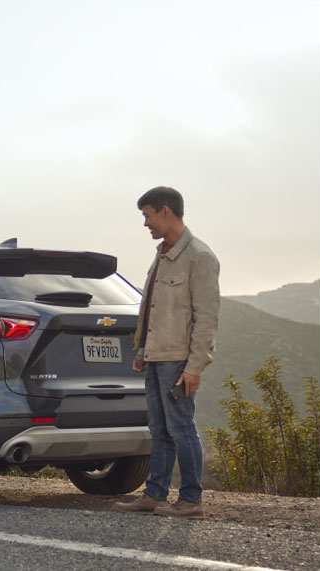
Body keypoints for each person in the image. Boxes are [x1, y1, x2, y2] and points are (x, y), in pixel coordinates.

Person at [114, 186, 220, 519]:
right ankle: (154, 495)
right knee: (158, 430)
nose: (145, 223)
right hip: (157, 357)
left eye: (147, 215)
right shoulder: (162, 255)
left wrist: (195, 367)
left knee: (182, 428)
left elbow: (207, 319)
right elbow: (154, 308)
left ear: (165, 211)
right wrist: (143, 347)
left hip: (179, 361)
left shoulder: (199, 257)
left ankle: (191, 500)